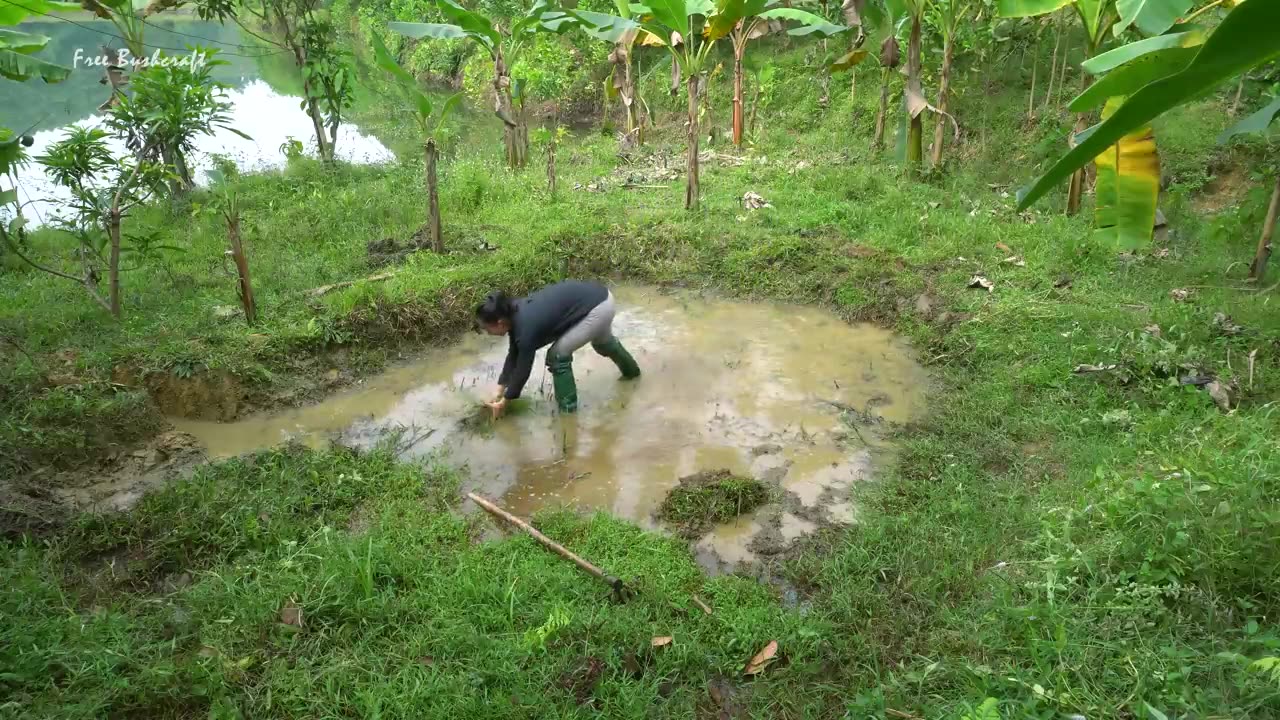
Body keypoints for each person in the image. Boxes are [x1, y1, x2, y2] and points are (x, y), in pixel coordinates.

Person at [475, 280, 641, 418]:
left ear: (500, 323)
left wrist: (505, 401)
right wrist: (500, 389)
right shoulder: (515, 312)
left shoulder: (526, 329)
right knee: (602, 343)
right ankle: (633, 375)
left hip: (597, 308)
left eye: (487, 328)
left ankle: (568, 413)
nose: (487, 333)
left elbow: (522, 370)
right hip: (602, 298)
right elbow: (514, 354)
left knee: (557, 356)